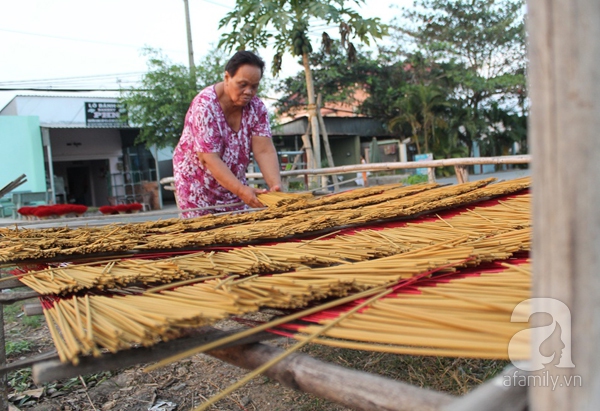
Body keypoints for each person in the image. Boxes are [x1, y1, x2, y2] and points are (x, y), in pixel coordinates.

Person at [172, 51, 282, 218]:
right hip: (197, 186)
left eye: (254, 86)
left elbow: (264, 150)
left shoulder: (257, 108)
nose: (248, 92)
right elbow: (209, 158)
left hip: (233, 184)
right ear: (227, 78)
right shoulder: (205, 105)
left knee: (239, 235)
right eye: (242, 84)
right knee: (205, 237)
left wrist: (276, 188)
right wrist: (241, 190)